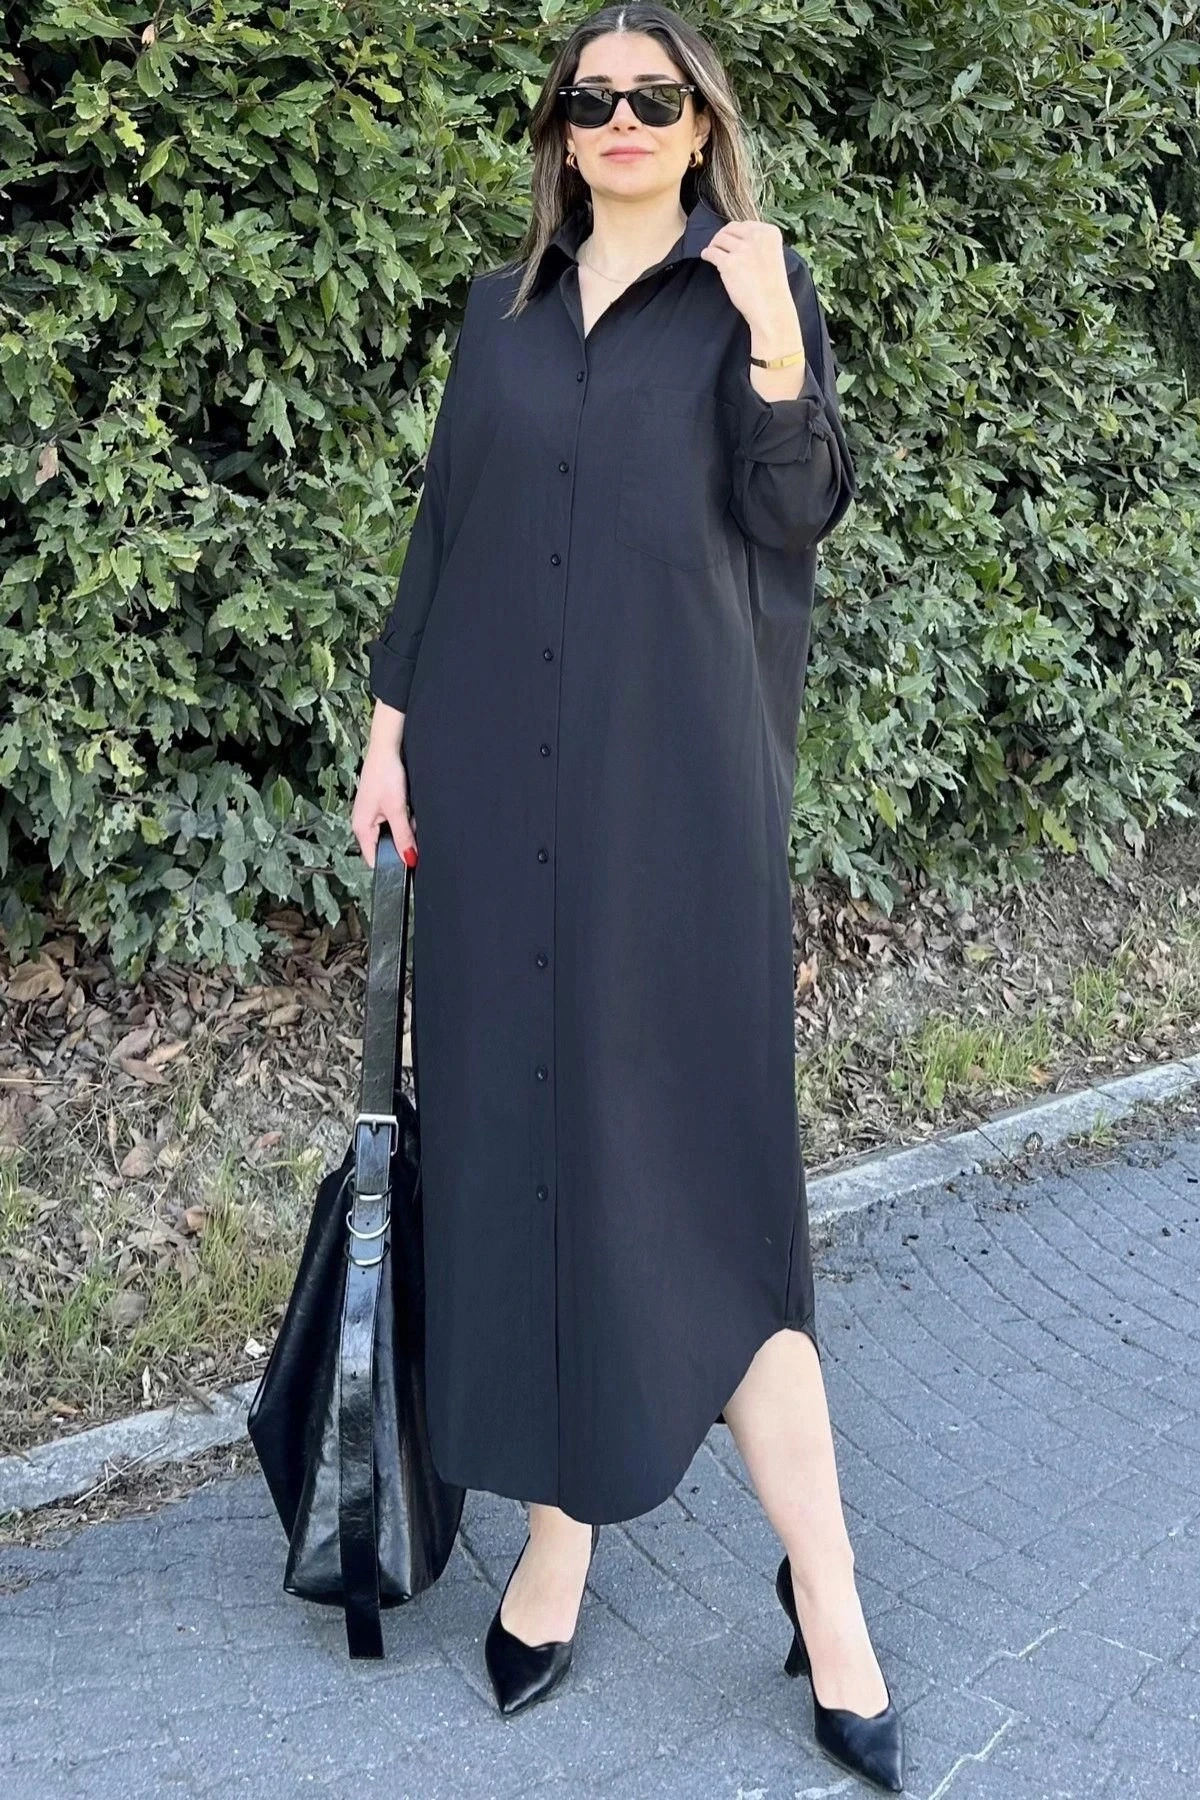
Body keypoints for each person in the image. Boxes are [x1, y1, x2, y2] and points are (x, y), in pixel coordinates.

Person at [352, 4, 902, 1790]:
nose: (620, 119)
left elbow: (799, 509)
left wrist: (772, 341)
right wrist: (388, 733)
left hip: (676, 824)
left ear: (701, 122)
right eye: (591, 98)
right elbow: (446, 531)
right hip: (494, 801)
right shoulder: (499, 317)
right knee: (525, 1159)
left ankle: (826, 1588)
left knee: (708, 1197)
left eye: (652, 96)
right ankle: (560, 1538)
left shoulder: (754, 292)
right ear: (561, 132)